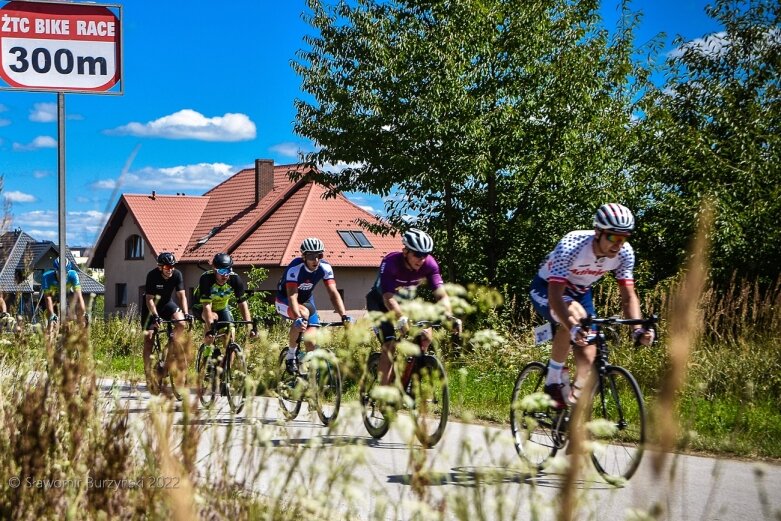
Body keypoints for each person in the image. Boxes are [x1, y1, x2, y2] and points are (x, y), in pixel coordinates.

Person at [530, 203, 655, 409]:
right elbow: (555, 296)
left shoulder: (625, 254)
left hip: (581, 291)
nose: (618, 244)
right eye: (613, 237)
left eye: (623, 238)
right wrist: (572, 326)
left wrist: (638, 329)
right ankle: (552, 382)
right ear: (598, 232)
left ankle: (571, 406)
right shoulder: (572, 245)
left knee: (588, 359)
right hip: (547, 288)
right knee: (574, 317)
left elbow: (628, 297)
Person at [366, 228, 462, 386]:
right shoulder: (391, 263)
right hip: (380, 303)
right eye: (417, 254)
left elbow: (441, 295)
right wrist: (401, 319)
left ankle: (411, 378)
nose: (422, 259)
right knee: (389, 345)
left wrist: (449, 316)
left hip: (406, 304)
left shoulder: (430, 264)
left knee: (425, 336)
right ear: (405, 252)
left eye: (425, 254)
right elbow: (387, 297)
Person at [275, 237, 351, 375]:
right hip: (285, 299)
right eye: (311, 256)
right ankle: (290, 356)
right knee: (303, 314)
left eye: (319, 255)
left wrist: (344, 316)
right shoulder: (295, 268)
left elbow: (333, 293)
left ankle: (309, 382)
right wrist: (297, 317)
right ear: (303, 256)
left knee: (311, 342)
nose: (315, 260)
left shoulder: (325, 267)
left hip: (307, 301)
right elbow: (292, 295)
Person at [142, 252, 192, 394]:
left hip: (166, 304)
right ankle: (148, 373)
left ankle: (169, 348)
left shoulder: (177, 275)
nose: (170, 269)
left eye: (172, 266)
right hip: (151, 307)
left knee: (181, 323)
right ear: (160, 267)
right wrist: (156, 316)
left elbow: (181, 295)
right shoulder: (152, 275)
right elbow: (149, 299)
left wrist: (186, 313)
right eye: (166, 266)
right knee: (149, 338)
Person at [198, 252, 257, 349]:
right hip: (203, 308)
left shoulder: (235, 279)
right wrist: (211, 329)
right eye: (221, 271)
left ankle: (226, 362)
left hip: (222, 308)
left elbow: (242, 304)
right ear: (214, 269)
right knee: (213, 320)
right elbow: (207, 306)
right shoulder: (206, 278)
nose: (225, 275)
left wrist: (249, 327)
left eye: (228, 271)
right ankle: (206, 357)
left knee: (230, 335)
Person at [41, 257, 86, 332]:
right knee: (52, 324)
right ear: (55, 270)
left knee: (68, 323)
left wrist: (83, 313)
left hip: (64, 298)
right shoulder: (46, 276)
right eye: (60, 272)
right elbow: (47, 298)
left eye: (65, 273)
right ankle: (49, 338)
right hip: (50, 299)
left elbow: (79, 296)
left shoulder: (73, 275)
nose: (63, 275)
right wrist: (52, 315)